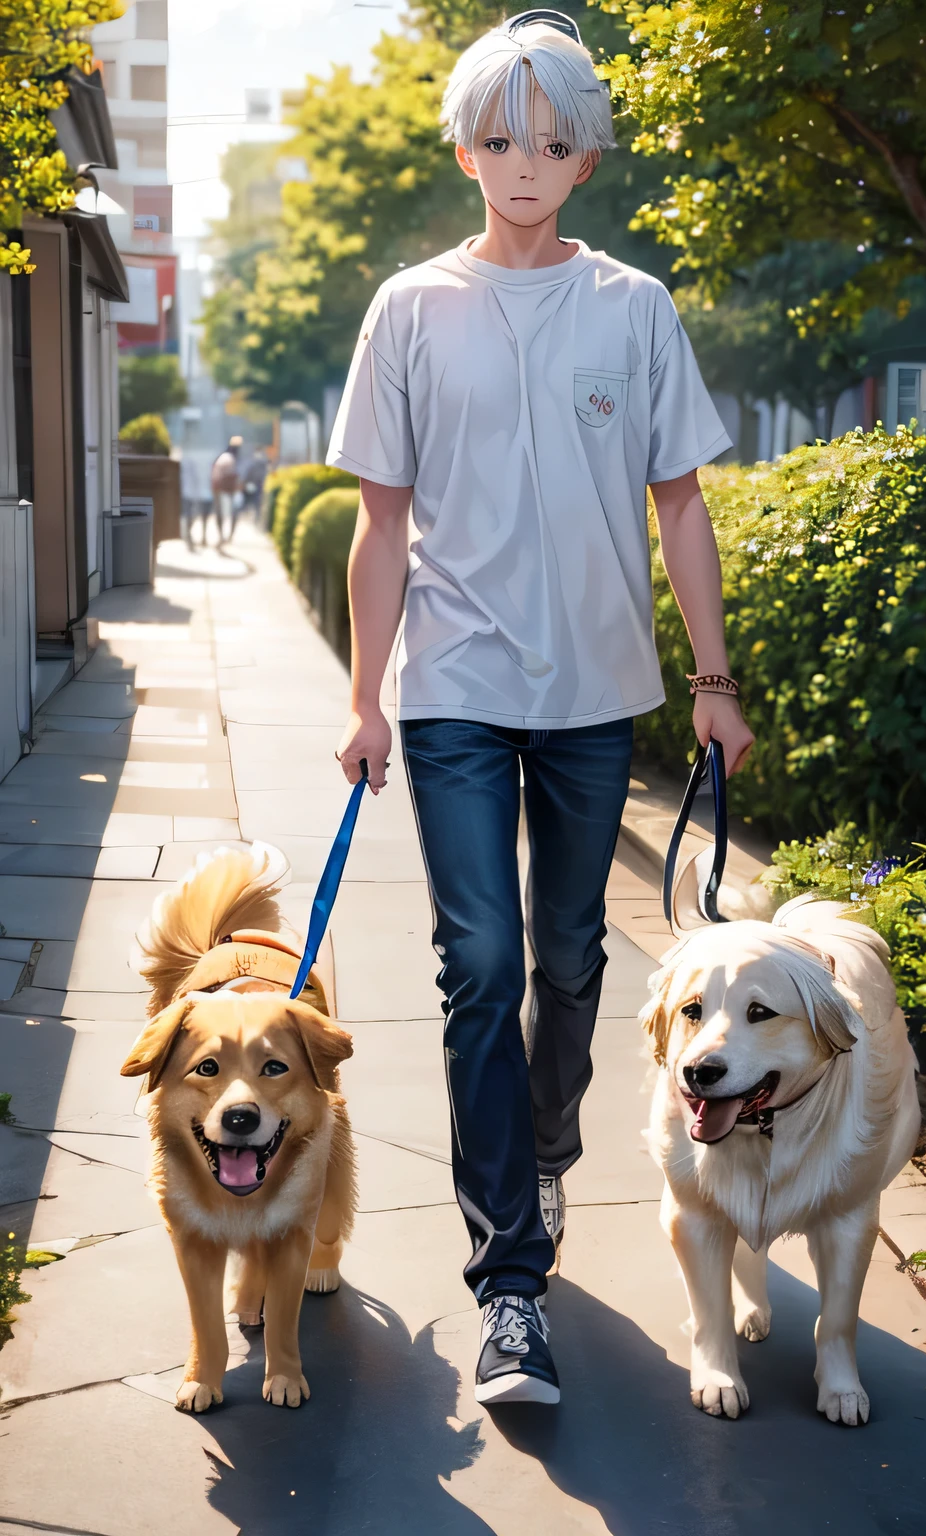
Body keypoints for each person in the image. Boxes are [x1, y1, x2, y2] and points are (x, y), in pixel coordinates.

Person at [329, 11, 754, 1407]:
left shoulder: (633, 308)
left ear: (584, 161)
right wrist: (365, 699)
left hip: (594, 699)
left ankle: (548, 1146)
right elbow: (379, 526)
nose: (524, 163)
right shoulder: (408, 307)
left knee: (572, 966)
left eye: (552, 141)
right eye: (502, 137)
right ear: (467, 147)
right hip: (452, 692)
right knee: (482, 969)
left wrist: (713, 681)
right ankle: (510, 1279)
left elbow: (679, 503)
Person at [210, 435, 244, 544]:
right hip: (225, 489)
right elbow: (232, 476)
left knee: (222, 513)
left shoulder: (223, 457)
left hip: (220, 488)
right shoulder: (230, 458)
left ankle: (224, 536)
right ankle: (225, 537)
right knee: (230, 513)